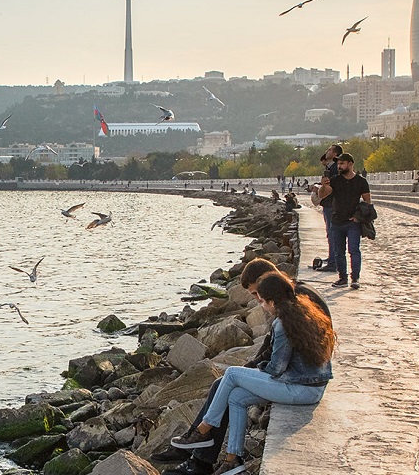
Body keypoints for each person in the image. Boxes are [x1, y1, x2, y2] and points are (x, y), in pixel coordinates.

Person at [153, 260, 329, 475]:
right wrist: (252, 370)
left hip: (300, 383)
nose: (258, 303)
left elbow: (277, 366)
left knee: (231, 374)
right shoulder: (294, 303)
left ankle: (202, 433)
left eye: (260, 298)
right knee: (235, 395)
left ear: (270, 293)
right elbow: (272, 347)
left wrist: (252, 371)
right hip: (307, 380)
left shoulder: (287, 315)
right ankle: (232, 459)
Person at [313, 153, 371, 289]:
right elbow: (322, 195)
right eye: (338, 164)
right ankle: (342, 278)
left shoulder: (361, 182)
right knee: (339, 252)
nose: (339, 166)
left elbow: (367, 202)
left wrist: (358, 217)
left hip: (353, 223)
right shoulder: (335, 180)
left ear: (350, 164)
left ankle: (355, 278)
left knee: (354, 250)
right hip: (336, 221)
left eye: (342, 164)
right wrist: (323, 185)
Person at [311, 145, 344, 273]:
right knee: (330, 233)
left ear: (335, 154)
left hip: (331, 205)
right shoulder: (329, 167)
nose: (327, 151)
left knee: (333, 233)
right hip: (328, 204)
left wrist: (320, 188)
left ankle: (333, 262)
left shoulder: (335, 168)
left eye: (330, 150)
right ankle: (331, 258)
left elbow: (332, 186)